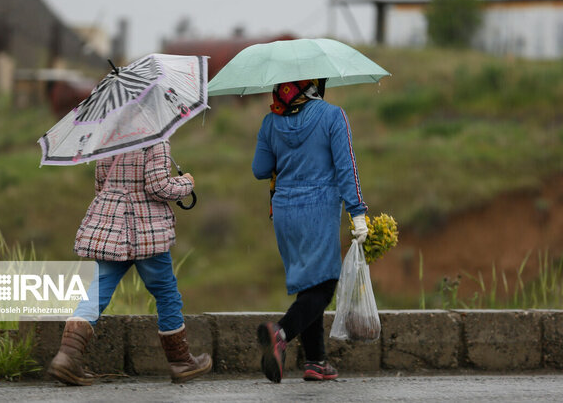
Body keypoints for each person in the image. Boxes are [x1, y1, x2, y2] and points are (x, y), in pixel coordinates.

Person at [47, 140, 212, 385]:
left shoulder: (109, 137)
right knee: (166, 292)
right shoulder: (155, 139)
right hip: (147, 229)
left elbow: (101, 184)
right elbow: (158, 187)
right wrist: (186, 183)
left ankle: (67, 355)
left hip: (113, 227)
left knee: (97, 289)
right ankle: (181, 361)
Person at [252, 78, 368, 383]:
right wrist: (358, 213)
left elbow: (260, 169)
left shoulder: (270, 122)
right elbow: (346, 168)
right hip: (319, 209)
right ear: (315, 85)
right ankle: (281, 332)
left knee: (310, 282)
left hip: (285, 213)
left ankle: (316, 361)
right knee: (325, 284)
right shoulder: (333, 115)